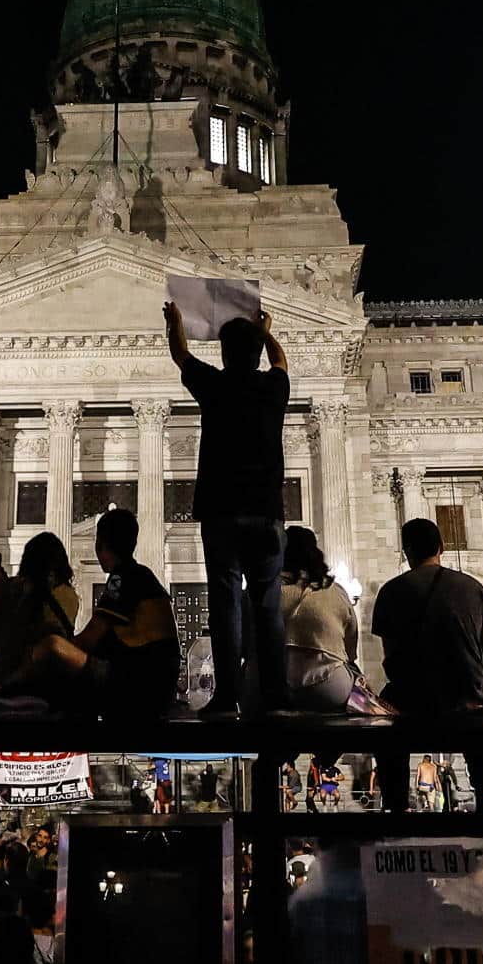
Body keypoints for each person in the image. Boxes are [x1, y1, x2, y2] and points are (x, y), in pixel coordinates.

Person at [163, 296, 293, 717]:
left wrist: (176, 319)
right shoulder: (274, 388)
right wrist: (267, 331)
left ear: (223, 353)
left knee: (225, 607)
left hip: (221, 513)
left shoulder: (215, 386)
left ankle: (226, 696)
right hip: (266, 513)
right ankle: (276, 696)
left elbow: (181, 354)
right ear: (256, 352)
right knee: (268, 607)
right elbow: (281, 363)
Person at [368, 517, 483, 811]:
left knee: (385, 727)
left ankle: (396, 806)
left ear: (406, 552)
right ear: (441, 546)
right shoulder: (473, 587)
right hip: (469, 705)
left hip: (413, 704)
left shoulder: (390, 592)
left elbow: (390, 663)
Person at [74, 511, 182, 718]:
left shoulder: (122, 577)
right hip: (156, 689)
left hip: (138, 690)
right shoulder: (141, 574)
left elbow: (90, 637)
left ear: (100, 544)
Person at [0, 532, 91, 714]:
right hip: (13, 677)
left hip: (34, 680)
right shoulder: (15, 590)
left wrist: (3, 594)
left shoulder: (60, 594)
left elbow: (47, 641)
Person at [278, 525, 365, 710]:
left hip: (268, 688)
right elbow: (350, 648)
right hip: (328, 686)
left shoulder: (263, 591)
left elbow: (244, 647)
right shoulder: (336, 592)